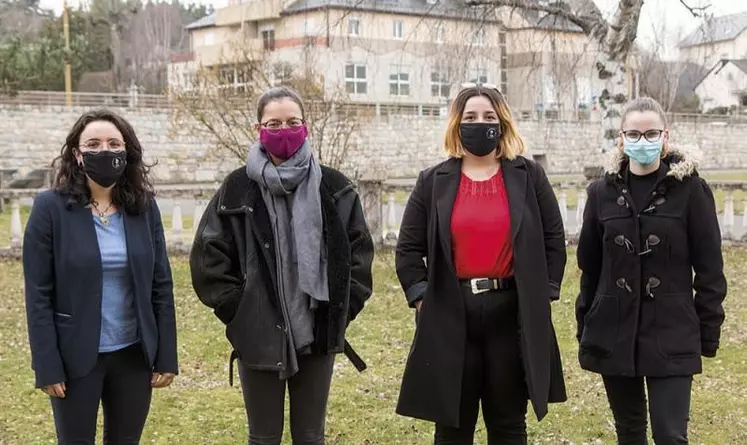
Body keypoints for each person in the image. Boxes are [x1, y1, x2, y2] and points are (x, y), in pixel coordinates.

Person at [190, 86, 374, 445]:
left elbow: (359, 257)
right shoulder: (237, 187)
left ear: (306, 126)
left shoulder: (335, 187)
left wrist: (340, 310)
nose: (283, 131)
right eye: (273, 124)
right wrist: (241, 312)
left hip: (317, 331)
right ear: (257, 129)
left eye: (292, 122)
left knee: (310, 436)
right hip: (257, 333)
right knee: (263, 438)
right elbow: (208, 258)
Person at [394, 83, 567, 444]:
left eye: (489, 116)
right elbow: (408, 249)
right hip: (451, 313)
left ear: (502, 122)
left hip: (511, 313)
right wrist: (423, 296)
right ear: (457, 124)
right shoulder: (433, 181)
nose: (480, 123)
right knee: (453, 426)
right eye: (470, 117)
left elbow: (553, 238)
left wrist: (544, 293)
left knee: (507, 424)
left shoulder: (528, 176)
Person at [576, 97, 727, 445]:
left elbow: (710, 271)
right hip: (615, 328)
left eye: (651, 133)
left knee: (670, 435)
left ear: (665, 136)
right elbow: (591, 266)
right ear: (621, 138)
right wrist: (587, 321)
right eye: (634, 133)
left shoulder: (691, 191)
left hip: (672, 330)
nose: (642, 141)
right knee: (629, 433)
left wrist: (708, 330)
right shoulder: (601, 193)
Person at [23, 109, 179, 445]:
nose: (104, 150)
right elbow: (38, 294)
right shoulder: (50, 208)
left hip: (134, 355)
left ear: (126, 152)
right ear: (78, 155)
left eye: (113, 143)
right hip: (75, 357)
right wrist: (46, 364)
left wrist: (166, 354)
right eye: (93, 144)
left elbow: (161, 285)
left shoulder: (143, 208)